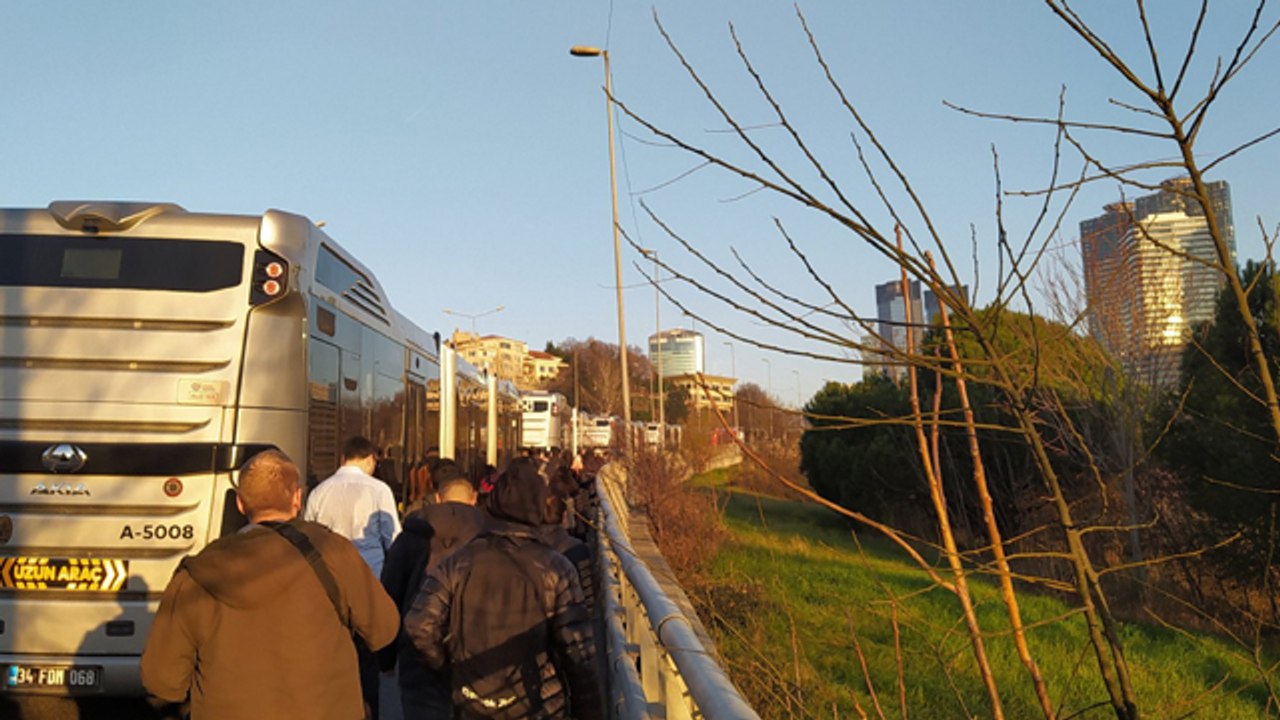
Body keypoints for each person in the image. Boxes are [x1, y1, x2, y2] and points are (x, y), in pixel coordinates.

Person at [140, 449, 399, 720]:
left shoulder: (198, 572)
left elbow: (161, 680)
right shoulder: (334, 553)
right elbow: (384, 628)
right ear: (298, 498)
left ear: (240, 503)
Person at [405, 461, 604, 720]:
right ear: (536, 507)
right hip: (538, 704)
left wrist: (449, 669)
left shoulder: (457, 562)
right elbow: (578, 652)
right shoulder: (557, 568)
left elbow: (419, 627)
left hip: (471, 702)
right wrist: (589, 710)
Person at [381, 460, 488, 718]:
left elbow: (390, 592)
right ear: (473, 499)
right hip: (477, 652)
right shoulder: (488, 538)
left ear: (438, 498)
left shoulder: (410, 536)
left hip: (417, 650)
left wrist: (386, 658)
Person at [306, 436, 402, 719]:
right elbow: (392, 539)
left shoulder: (319, 492)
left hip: (326, 582)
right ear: (371, 459)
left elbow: (308, 535)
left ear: (343, 459)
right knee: (367, 659)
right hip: (369, 579)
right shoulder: (379, 490)